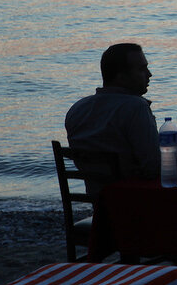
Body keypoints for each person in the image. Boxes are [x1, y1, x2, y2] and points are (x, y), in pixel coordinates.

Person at [65, 43, 160, 183]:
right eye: (141, 69)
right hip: (134, 199)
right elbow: (154, 167)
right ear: (120, 77)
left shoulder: (78, 109)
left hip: (98, 198)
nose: (149, 74)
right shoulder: (135, 107)